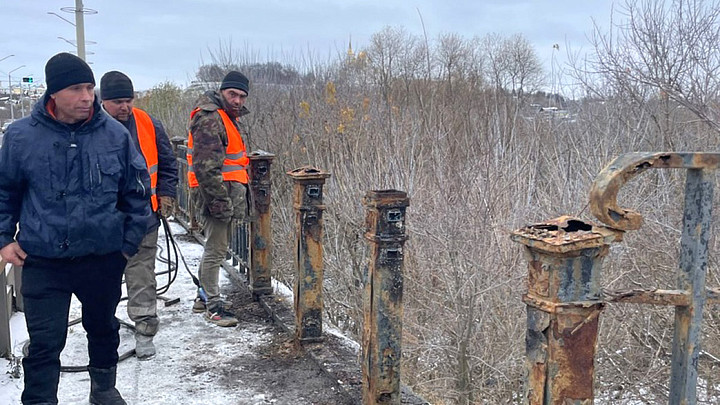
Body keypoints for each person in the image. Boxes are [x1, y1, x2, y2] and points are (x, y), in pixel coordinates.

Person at [0, 53, 151, 405]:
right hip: (43, 260)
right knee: (45, 342)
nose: (87, 96)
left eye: (89, 87)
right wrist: (4, 239)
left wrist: (124, 248)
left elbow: (138, 194)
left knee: (103, 329)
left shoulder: (114, 135)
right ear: (53, 93)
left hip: (102, 258)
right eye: (76, 89)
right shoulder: (21, 136)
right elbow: (5, 191)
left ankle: (103, 389)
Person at [100, 71, 178, 360]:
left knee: (142, 275)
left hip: (144, 217)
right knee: (102, 278)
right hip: (103, 222)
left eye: (128, 100)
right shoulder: (87, 126)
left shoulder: (147, 123)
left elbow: (169, 163)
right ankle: (103, 326)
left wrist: (167, 194)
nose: (124, 107)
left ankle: (145, 330)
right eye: (117, 101)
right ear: (103, 101)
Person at [186, 71, 252, 327]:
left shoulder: (222, 116)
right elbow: (206, 169)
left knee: (214, 247)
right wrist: (219, 203)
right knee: (216, 250)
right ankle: (213, 305)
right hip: (216, 195)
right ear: (222, 91)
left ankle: (203, 297)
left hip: (222, 194)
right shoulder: (211, 118)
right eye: (232, 94)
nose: (237, 100)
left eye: (242, 96)